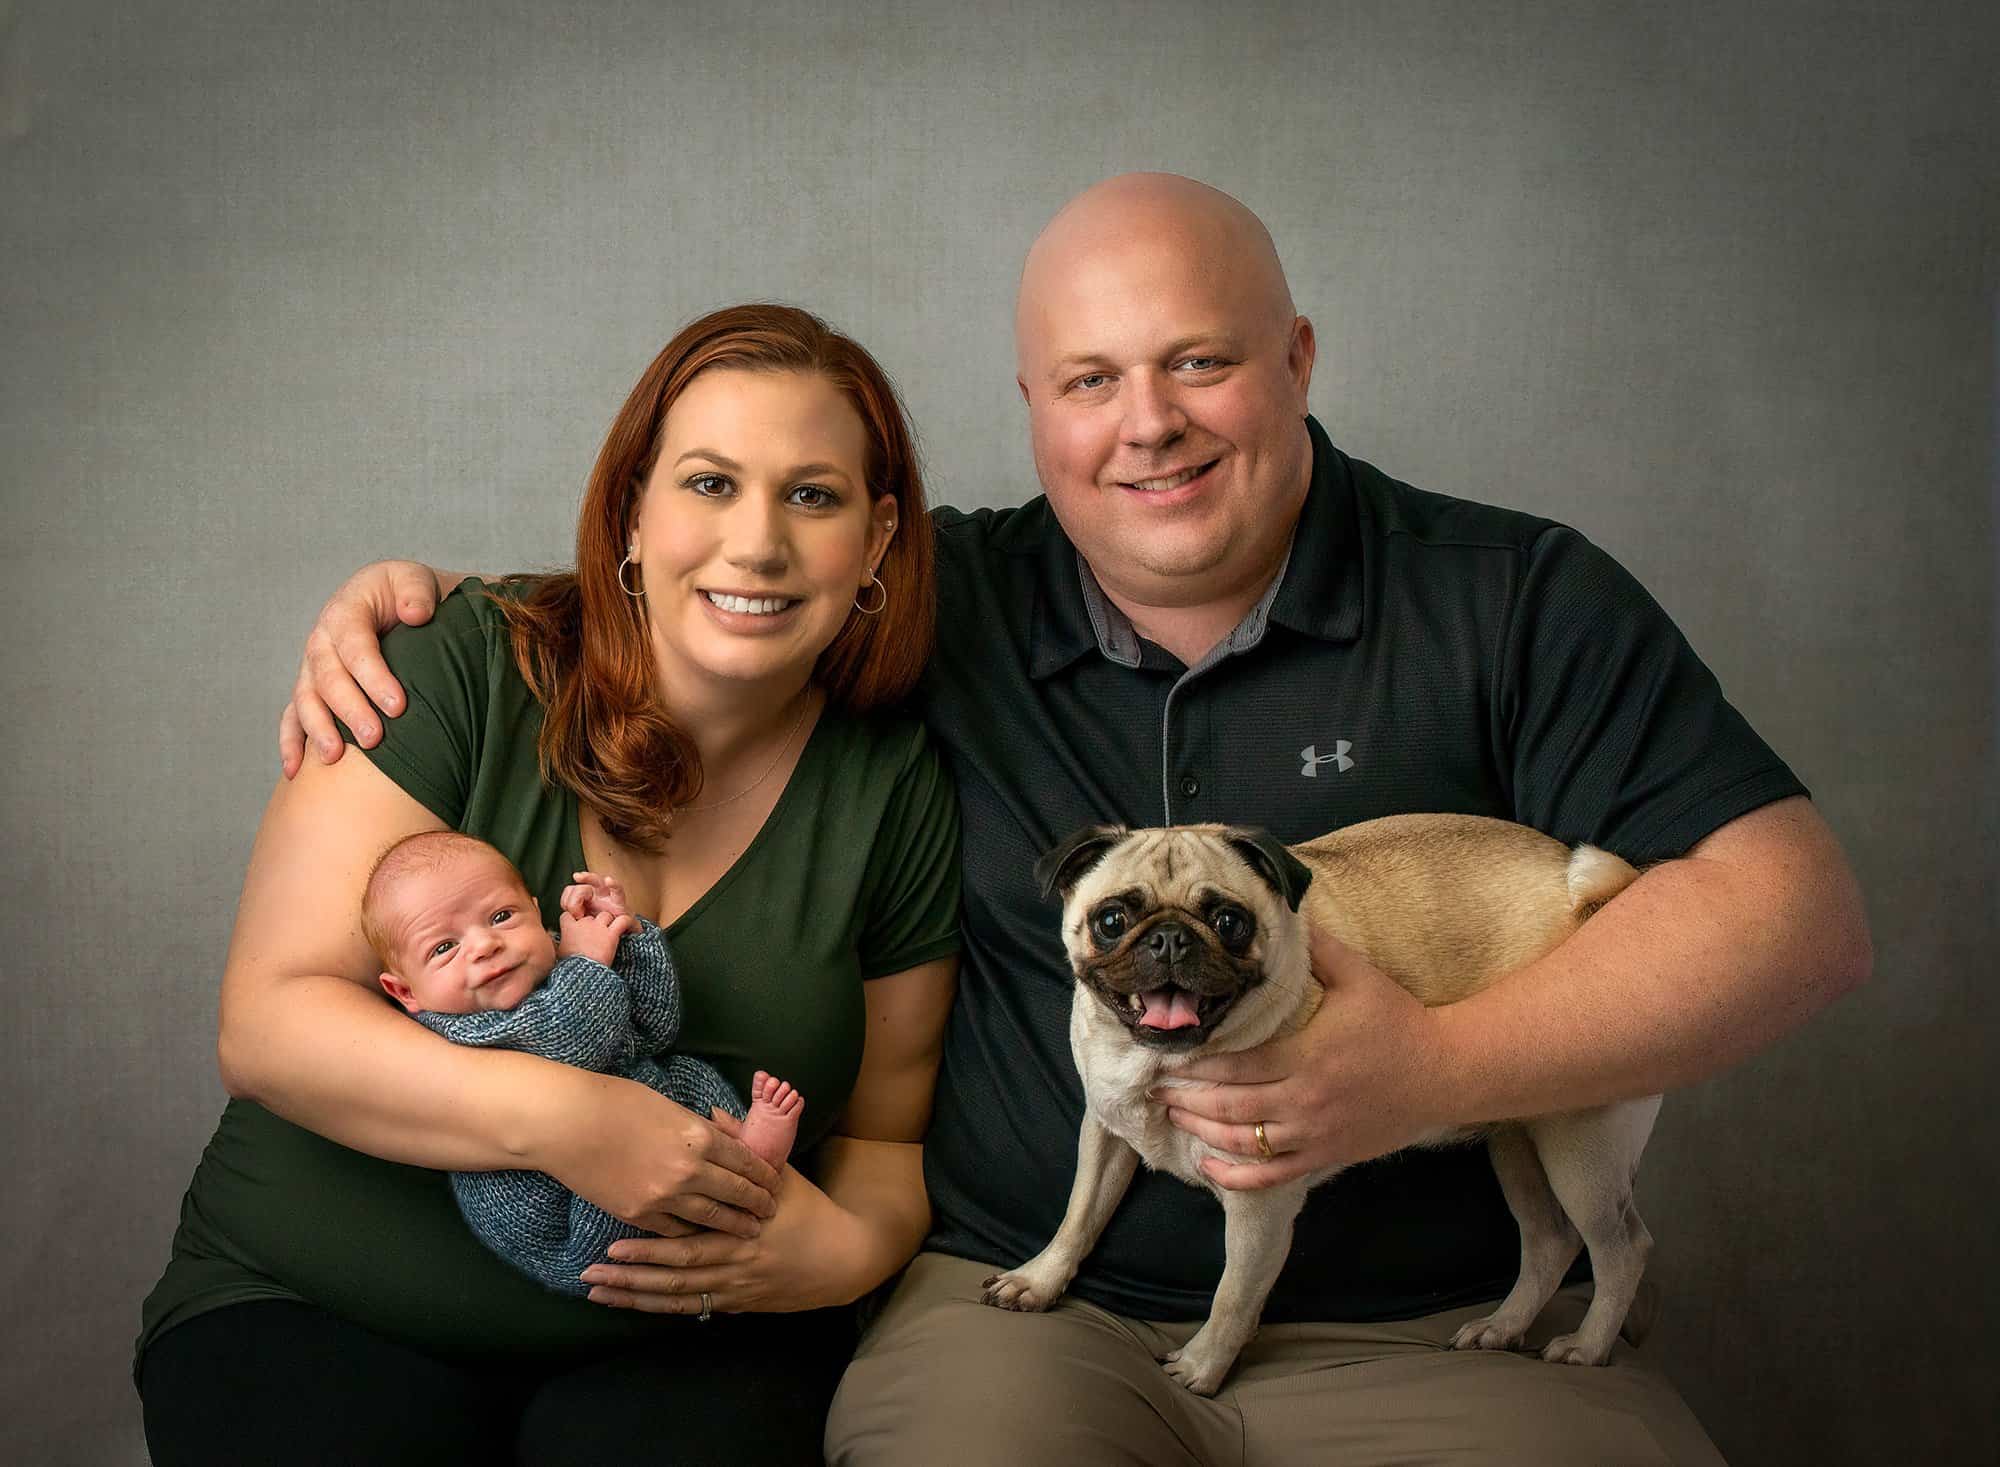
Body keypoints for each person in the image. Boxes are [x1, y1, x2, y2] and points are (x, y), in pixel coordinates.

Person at [276, 174, 1873, 1466]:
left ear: (1300, 357)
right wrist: (430, 605)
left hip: (1432, 1324)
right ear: (1032, 403)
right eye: (1090, 378)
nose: (1148, 424)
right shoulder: (939, 596)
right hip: (1011, 1308)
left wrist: (1438, 1068)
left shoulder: (1514, 595)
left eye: (1201, 361)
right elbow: (716, 572)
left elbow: (1794, 913)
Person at [136, 304, 961, 1467]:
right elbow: (268, 1025)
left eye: (812, 497)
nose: (758, 545)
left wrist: (844, 1256)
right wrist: (573, 1119)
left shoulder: (892, 788)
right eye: (709, 484)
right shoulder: (455, 663)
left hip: (692, 1343)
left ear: (877, 541)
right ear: (632, 508)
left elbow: (885, 1141)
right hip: (309, 1303)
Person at [362, 833, 805, 1295]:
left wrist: (623, 934)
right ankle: (721, 1193)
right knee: (629, 1158)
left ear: (536, 913)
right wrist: (589, 959)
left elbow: (652, 1029)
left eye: (501, 917)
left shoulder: (560, 967)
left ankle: (748, 1159)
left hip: (640, 1131)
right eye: (443, 948)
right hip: (563, 1212)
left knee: (683, 1075)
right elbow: (573, 1041)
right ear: (406, 992)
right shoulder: (462, 1030)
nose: (484, 945)